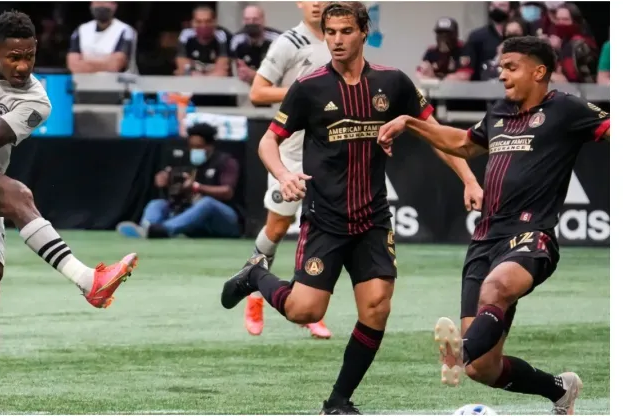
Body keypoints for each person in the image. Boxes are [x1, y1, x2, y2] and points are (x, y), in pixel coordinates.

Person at [220, 3, 482, 414]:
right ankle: (255, 274)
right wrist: (284, 174)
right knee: (305, 310)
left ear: (363, 31)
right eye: (330, 32)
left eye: (345, 31)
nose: (337, 40)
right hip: (325, 219)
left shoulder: (393, 82)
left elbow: (438, 135)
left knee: (377, 307)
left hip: (373, 219)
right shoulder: (309, 87)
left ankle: (338, 401)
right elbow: (268, 141)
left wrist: (469, 179)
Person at [376, 36, 609, 415]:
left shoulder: (566, 109)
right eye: (501, 67)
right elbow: (464, 143)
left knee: (496, 289)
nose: (501, 75)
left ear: (539, 72)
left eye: (510, 67)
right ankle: (560, 389)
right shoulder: (500, 112)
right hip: (485, 239)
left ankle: (461, 350)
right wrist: (409, 123)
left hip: (532, 236)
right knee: (482, 368)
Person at [0, 11, 138, 415]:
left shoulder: (36, 101)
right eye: (13, 57)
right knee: (14, 192)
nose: (23, 66)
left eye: (29, 56)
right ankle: (87, 280)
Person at [245, 1, 334, 339]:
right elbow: (257, 91)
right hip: (289, 152)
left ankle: (308, 307)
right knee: (279, 226)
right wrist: (303, 93)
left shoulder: (340, 40)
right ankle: (253, 292)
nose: (317, 4)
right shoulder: (289, 43)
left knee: (321, 230)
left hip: (328, 151)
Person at [116, 123, 242, 239]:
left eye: (199, 147)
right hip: (190, 214)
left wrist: (196, 187)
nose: (194, 150)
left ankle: (164, 229)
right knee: (157, 203)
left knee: (206, 203)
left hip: (224, 219)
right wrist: (164, 179)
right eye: (191, 146)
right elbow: (170, 178)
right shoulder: (184, 161)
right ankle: (148, 227)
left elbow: (227, 191)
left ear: (210, 146)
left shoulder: (225, 161)